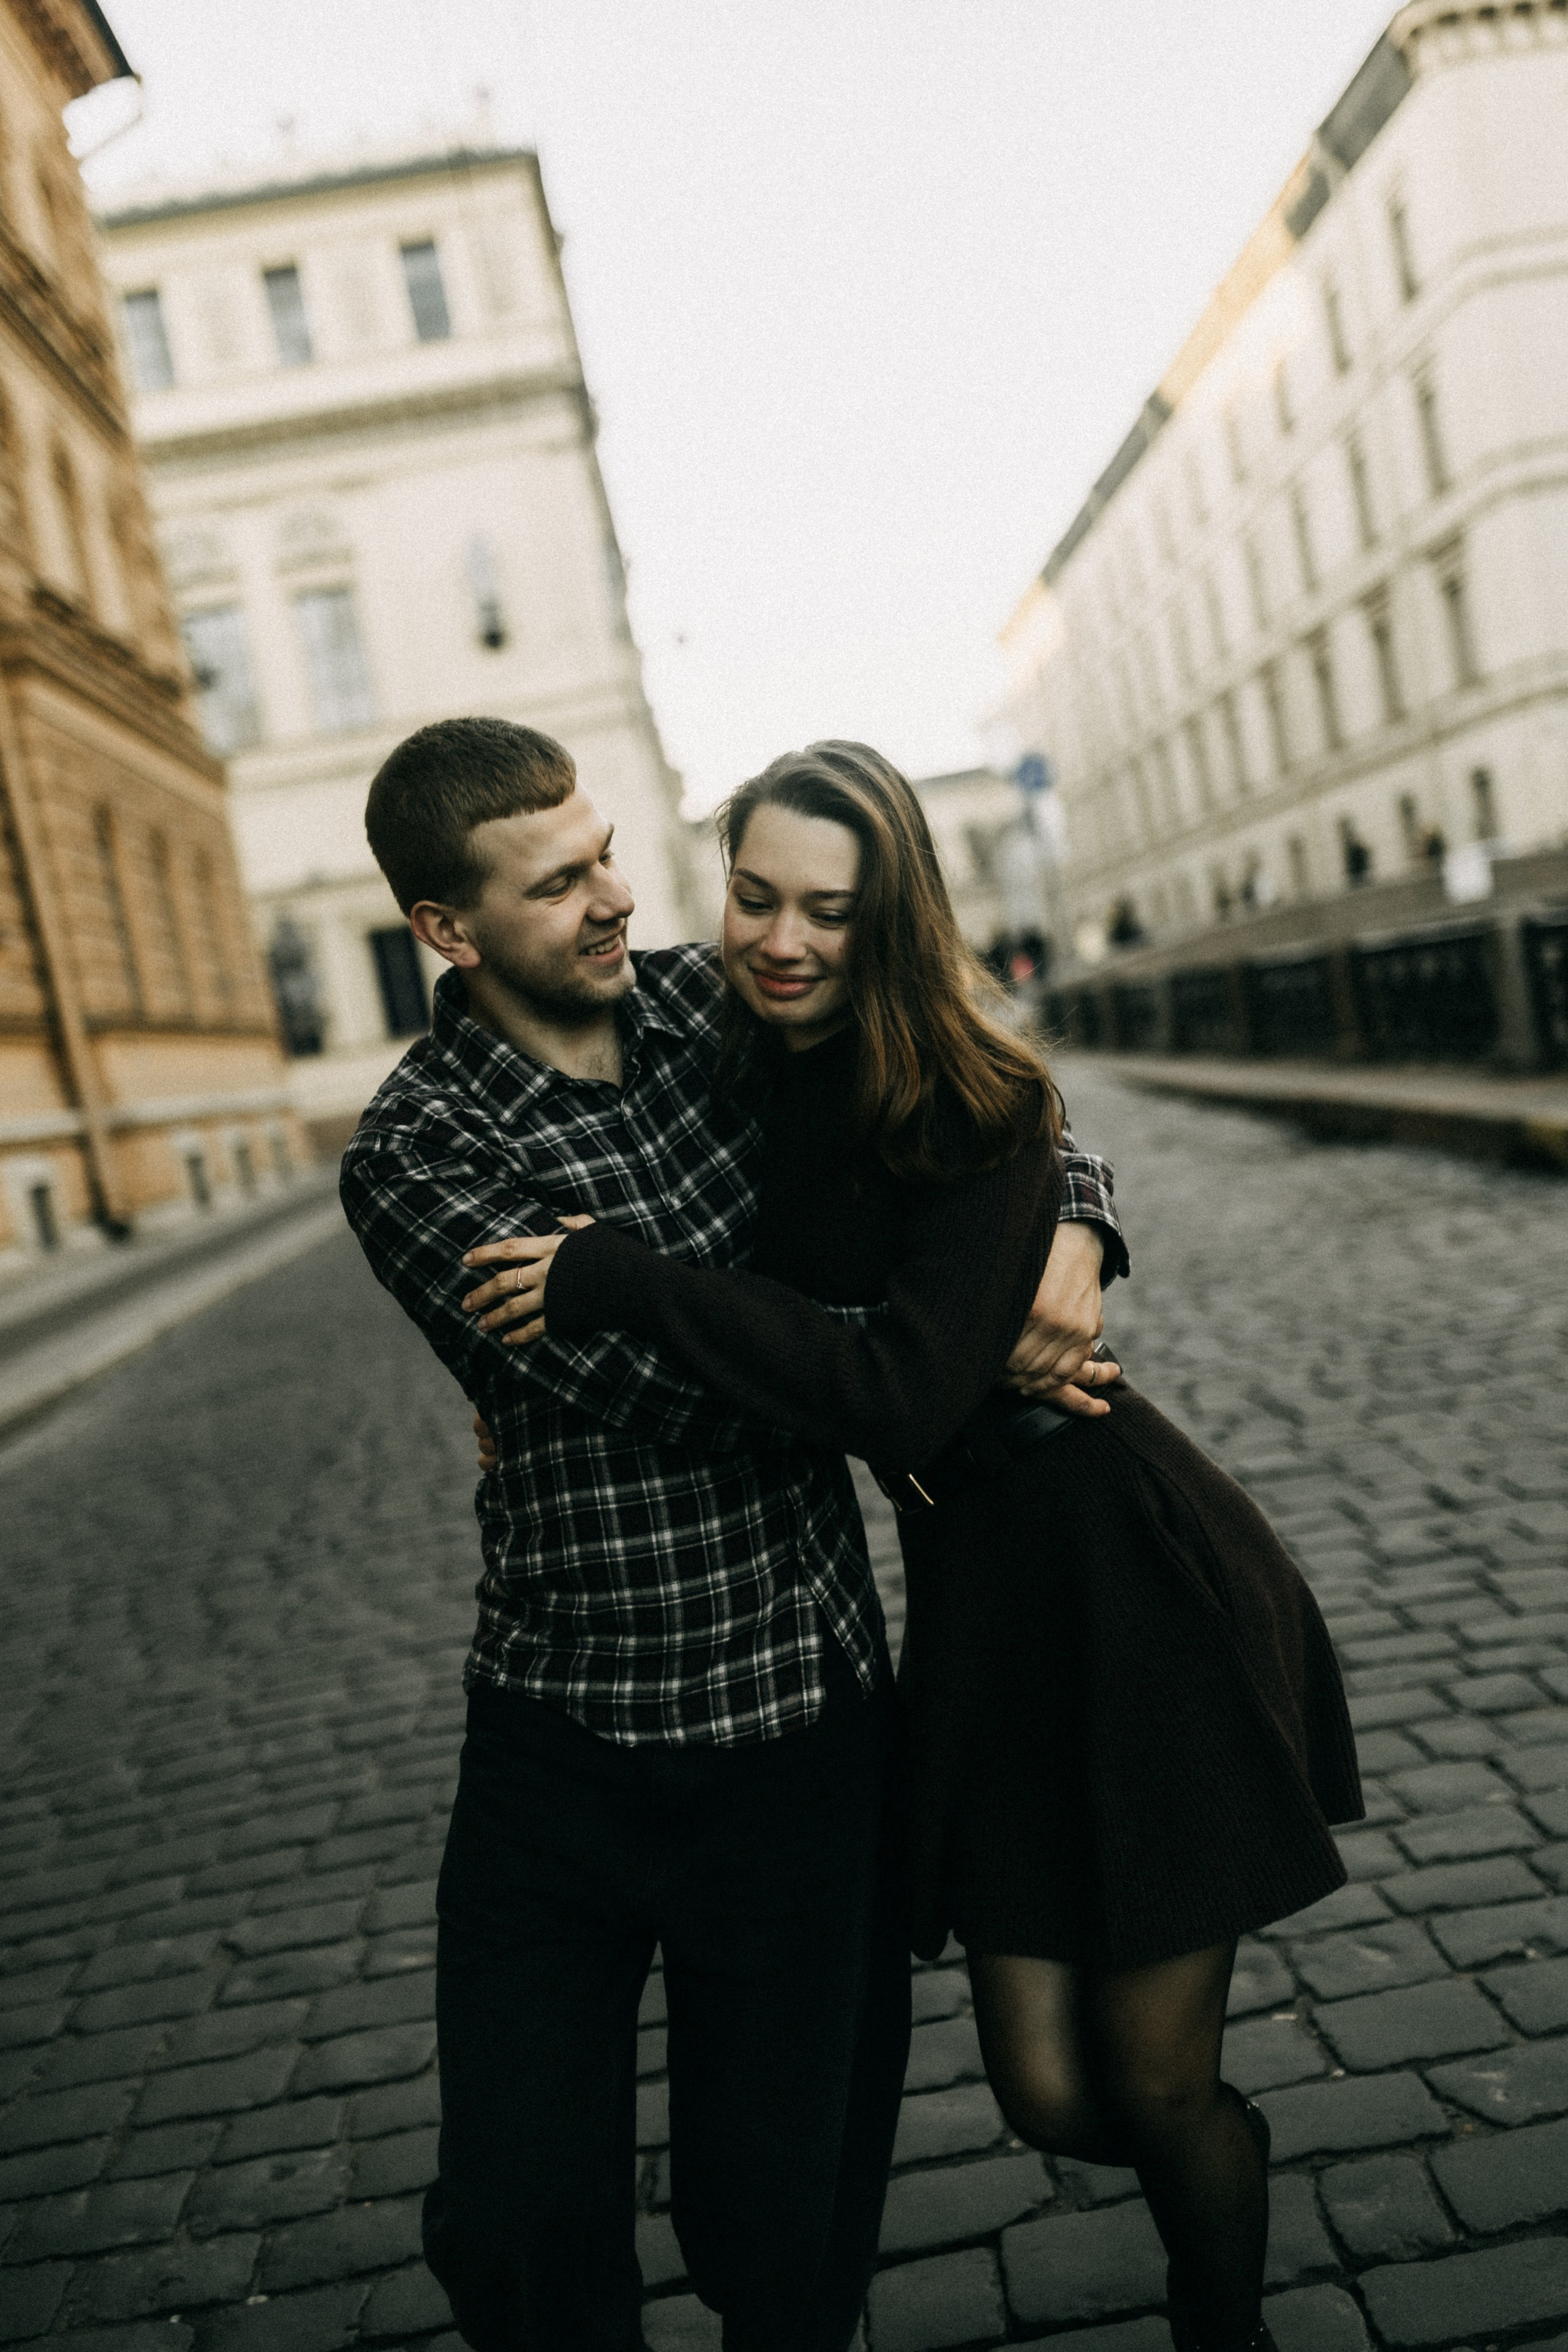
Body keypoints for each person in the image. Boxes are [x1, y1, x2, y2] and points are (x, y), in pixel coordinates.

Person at [460, 742, 1365, 2352]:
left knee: (1157, 2090)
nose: (782, 940)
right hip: (974, 1623)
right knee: (1042, 2090)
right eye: (752, 899)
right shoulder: (718, 1045)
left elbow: (890, 1386)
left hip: (1129, 1588)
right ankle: (1201, 2160)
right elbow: (533, 1009)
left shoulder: (968, 1095)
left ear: (892, 921)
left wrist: (620, 1279)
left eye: (829, 912)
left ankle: (1226, 2302)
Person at [337, 717, 1127, 2352]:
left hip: (797, 1719)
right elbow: (689, 1394)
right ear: (447, 929)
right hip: (562, 1733)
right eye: (560, 885)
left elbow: (959, 1086)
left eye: (610, 851)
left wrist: (1068, 1215)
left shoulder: (716, 1005)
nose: (619, 898)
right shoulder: (417, 1153)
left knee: (784, 2228)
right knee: (515, 2223)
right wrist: (914, 1339)